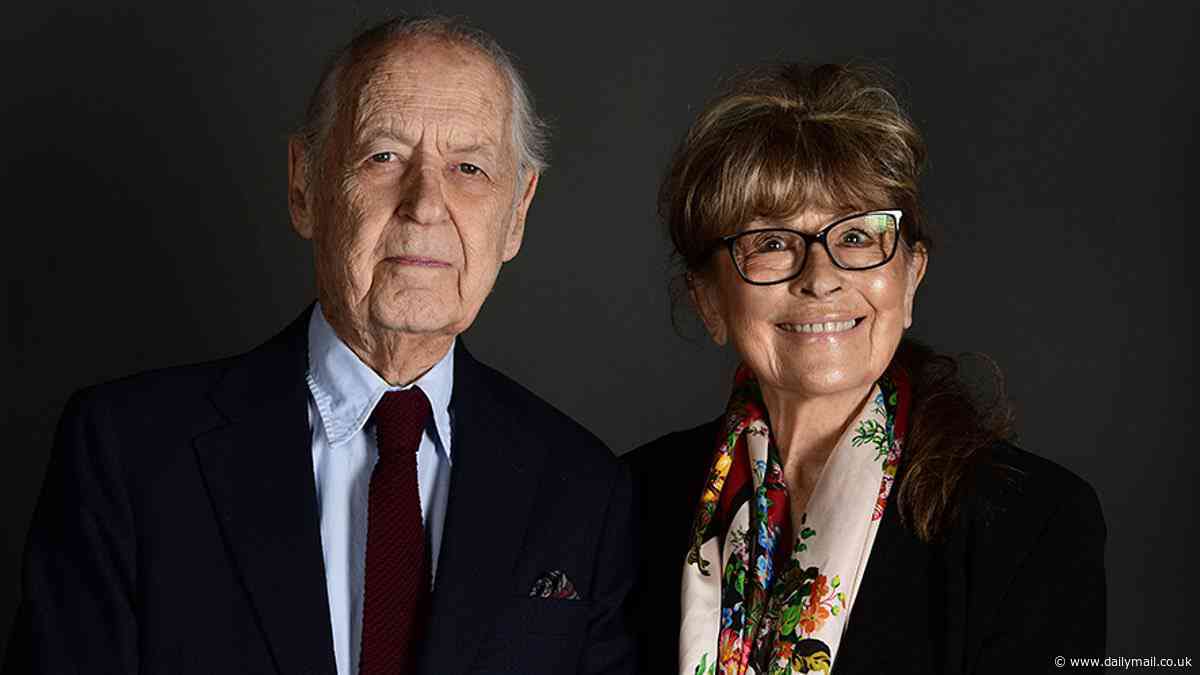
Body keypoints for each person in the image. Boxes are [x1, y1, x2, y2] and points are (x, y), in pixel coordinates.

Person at [5, 16, 635, 675]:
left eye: (469, 167)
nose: (425, 204)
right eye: (383, 156)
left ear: (518, 214)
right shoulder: (128, 456)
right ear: (305, 184)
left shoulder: (583, 491)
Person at [626, 63, 1105, 674]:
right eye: (771, 242)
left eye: (857, 236)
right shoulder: (629, 502)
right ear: (710, 301)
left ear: (910, 278)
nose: (820, 278)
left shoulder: (1032, 523)